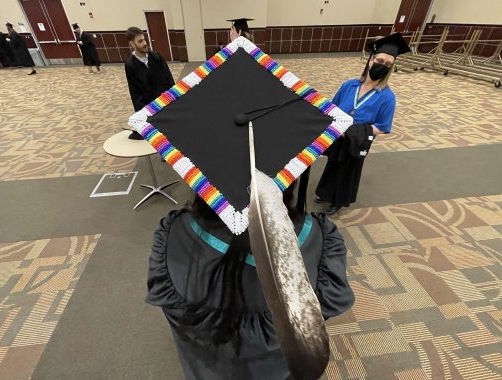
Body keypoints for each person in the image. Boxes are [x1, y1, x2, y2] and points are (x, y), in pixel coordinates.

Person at [138, 37, 354, 379]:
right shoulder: (318, 239)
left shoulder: (172, 234)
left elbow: (170, 309)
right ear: (292, 172)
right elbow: (317, 314)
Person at [315, 33, 410, 216]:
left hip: (357, 139)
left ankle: (338, 200)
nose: (382, 65)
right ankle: (325, 192)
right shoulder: (349, 85)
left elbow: (382, 126)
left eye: (388, 64)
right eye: (380, 60)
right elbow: (332, 107)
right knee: (333, 164)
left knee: (348, 169)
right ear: (371, 59)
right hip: (338, 135)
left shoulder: (387, 97)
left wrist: (352, 132)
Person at [124, 26, 174, 139]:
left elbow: (169, 79)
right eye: (140, 41)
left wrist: (175, 99)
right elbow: (135, 92)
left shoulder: (156, 57)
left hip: (166, 104)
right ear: (132, 44)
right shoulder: (130, 65)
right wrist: (142, 114)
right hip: (150, 108)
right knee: (159, 139)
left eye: (144, 39)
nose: (145, 43)